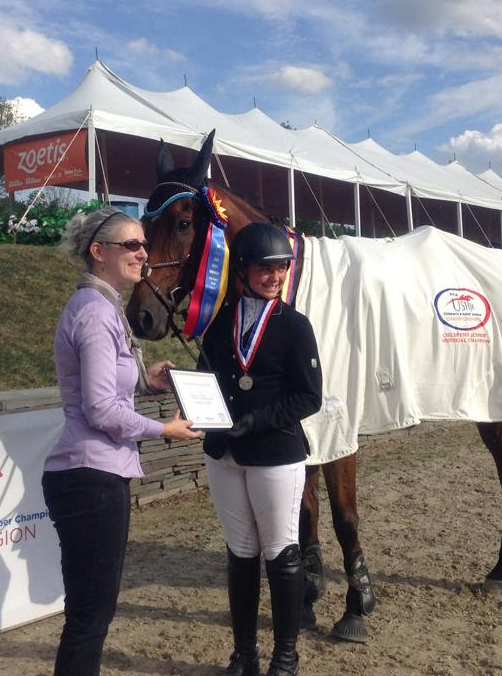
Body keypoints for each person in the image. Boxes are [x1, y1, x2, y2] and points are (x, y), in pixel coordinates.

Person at [42, 208, 202, 676]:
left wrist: (144, 382)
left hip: (93, 473)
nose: (143, 254)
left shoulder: (101, 306)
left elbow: (103, 391)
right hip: (90, 476)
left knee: (91, 613)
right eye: (131, 245)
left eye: (144, 245)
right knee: (90, 617)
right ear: (99, 252)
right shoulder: (95, 313)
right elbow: (100, 410)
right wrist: (163, 430)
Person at [199, 222, 323, 676]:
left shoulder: (294, 326)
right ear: (242, 271)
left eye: (281, 268)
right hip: (224, 454)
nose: (274, 276)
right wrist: (193, 400)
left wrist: (257, 420)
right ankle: (244, 654)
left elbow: (309, 396)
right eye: (264, 268)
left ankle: (285, 656)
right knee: (240, 551)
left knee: (280, 551)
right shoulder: (220, 323)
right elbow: (206, 377)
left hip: (275, 453)